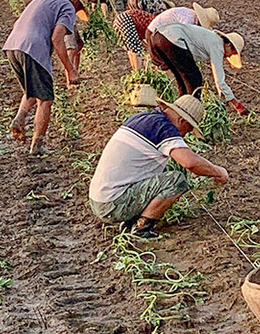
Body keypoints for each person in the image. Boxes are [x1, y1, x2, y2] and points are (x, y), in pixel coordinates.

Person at [88, 94, 229, 237]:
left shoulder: (143, 118)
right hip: (112, 204)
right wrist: (218, 172)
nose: (185, 135)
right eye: (188, 129)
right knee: (176, 180)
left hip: (100, 198)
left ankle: (130, 220)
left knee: (165, 170)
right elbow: (190, 162)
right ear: (182, 121)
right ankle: (141, 227)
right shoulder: (164, 129)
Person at [3, 0, 90, 154]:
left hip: (13, 45)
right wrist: (70, 70)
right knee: (46, 99)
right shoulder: (68, 7)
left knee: (32, 89)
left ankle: (19, 118)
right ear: (76, 2)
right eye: (80, 7)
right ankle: (38, 145)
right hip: (33, 48)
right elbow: (57, 39)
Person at [149, 22, 247, 113]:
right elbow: (219, 80)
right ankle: (190, 111)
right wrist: (236, 104)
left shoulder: (210, 37)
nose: (229, 56)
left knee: (181, 77)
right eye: (232, 53)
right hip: (172, 38)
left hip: (157, 37)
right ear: (229, 45)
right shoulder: (218, 45)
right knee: (195, 79)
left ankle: (179, 108)